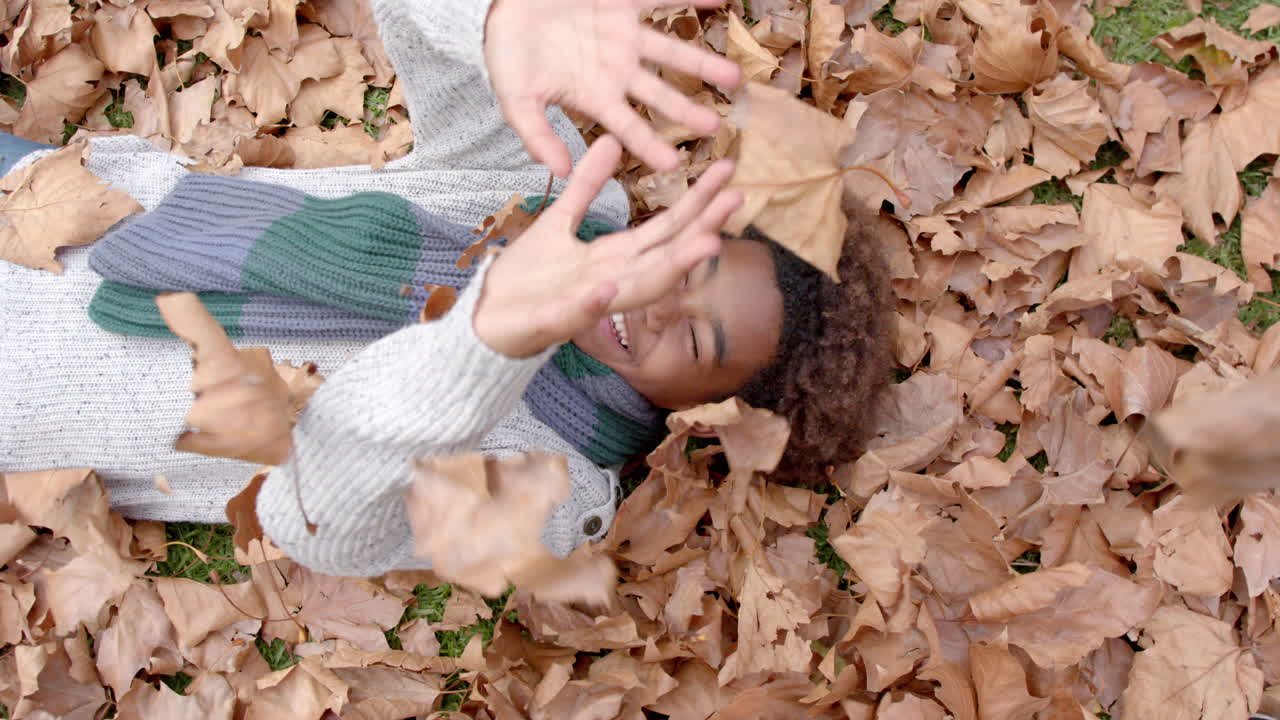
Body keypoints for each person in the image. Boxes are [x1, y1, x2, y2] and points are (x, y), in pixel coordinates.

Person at [0, 0, 892, 577]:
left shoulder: (558, 490)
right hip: (58, 201)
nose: (653, 306)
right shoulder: (557, 195)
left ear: (712, 415)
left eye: (694, 341)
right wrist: (500, 24)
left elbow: (312, 524)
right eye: (687, 268)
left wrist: (485, 343)